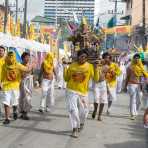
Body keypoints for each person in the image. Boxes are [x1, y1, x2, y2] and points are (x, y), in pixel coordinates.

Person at [64, 49, 99, 138]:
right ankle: (75, 129)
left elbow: (96, 79)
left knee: (84, 111)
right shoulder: (72, 66)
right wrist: (65, 68)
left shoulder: (90, 66)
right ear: (78, 57)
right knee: (73, 110)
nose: (83, 58)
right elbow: (66, 79)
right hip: (71, 91)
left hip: (83, 92)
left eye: (85, 57)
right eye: (81, 56)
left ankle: (82, 123)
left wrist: (96, 68)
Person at [1, 51, 33, 124]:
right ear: (7, 56)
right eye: (9, 56)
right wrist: (1, 83)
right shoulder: (4, 65)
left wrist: (31, 65)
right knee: (6, 102)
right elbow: (2, 75)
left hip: (15, 86)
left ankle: (15, 110)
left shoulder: (18, 65)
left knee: (15, 102)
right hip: (6, 86)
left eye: (12, 56)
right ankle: (7, 118)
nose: (11, 58)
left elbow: (27, 70)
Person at [125, 53, 148, 120]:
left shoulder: (142, 67)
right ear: (133, 59)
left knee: (140, 101)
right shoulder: (130, 67)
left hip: (139, 86)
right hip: (131, 84)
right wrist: (125, 87)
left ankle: (136, 112)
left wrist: (145, 83)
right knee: (133, 99)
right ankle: (132, 114)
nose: (137, 59)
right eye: (136, 58)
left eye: (138, 58)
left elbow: (145, 76)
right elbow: (127, 77)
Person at [19, 52, 34, 120]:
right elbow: (21, 74)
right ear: (22, 58)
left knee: (28, 97)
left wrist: (36, 81)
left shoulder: (30, 65)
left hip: (29, 81)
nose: (27, 58)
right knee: (22, 97)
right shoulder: (20, 65)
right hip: (22, 82)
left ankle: (25, 112)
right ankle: (22, 112)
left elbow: (32, 74)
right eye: (26, 57)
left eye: (28, 57)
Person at [0, 46, 5, 117]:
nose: (0, 52)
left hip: (5, 82)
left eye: (1, 51)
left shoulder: (7, 60)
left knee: (4, 98)